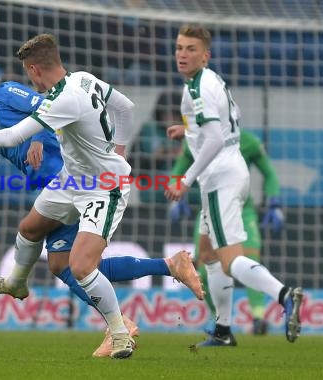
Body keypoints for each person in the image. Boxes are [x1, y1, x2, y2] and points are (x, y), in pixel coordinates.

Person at [0, 59, 203, 358]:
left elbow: (46, 105)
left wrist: (39, 139)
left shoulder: (5, 93)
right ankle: (166, 269)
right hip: (56, 190)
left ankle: (119, 325)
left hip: (71, 181)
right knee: (58, 261)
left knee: (71, 265)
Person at [164, 23, 303, 347]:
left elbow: (214, 140)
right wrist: (185, 131)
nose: (182, 55)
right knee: (208, 254)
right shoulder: (210, 81)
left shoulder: (198, 87)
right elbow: (220, 128)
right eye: (179, 48)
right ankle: (223, 331)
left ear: (205, 55)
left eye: (191, 49)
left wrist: (185, 179)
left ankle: (284, 295)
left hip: (220, 177)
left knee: (228, 258)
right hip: (230, 170)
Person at [170, 129, 284, 335]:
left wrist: (274, 201)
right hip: (209, 207)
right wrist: (177, 191)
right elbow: (180, 168)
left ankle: (258, 318)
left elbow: (269, 172)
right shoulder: (194, 139)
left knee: (247, 257)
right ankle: (221, 322)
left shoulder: (248, 141)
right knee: (204, 267)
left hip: (243, 209)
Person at [130, 90, 183, 203]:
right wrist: (154, 159)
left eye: (174, 114)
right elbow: (131, 170)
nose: (170, 118)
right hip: (153, 201)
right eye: (166, 113)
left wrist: (186, 157)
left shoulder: (191, 133)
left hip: (186, 200)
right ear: (159, 113)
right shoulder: (147, 132)